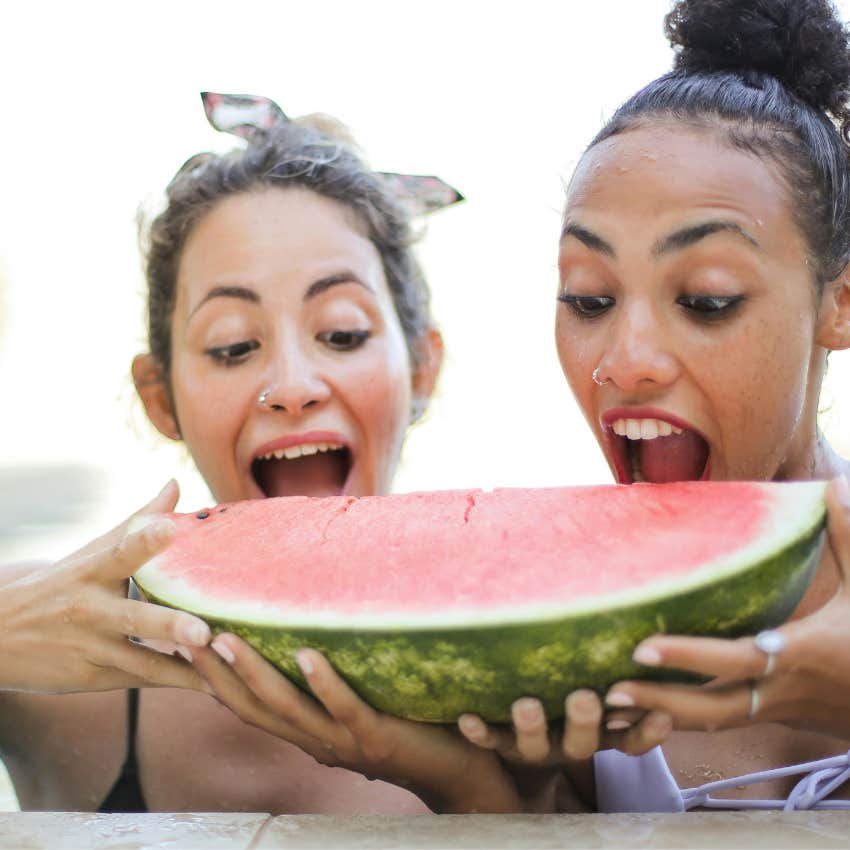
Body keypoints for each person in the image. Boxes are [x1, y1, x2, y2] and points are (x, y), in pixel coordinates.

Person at [0, 92, 534, 814]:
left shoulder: (529, 670)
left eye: (342, 334)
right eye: (232, 346)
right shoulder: (55, 651)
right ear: (161, 398)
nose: (290, 386)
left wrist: (468, 785)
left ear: (423, 367)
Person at [451, 0, 850, 812]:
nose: (624, 363)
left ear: (838, 303)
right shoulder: (538, 628)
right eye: (589, 298)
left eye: (706, 299)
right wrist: (487, 789)